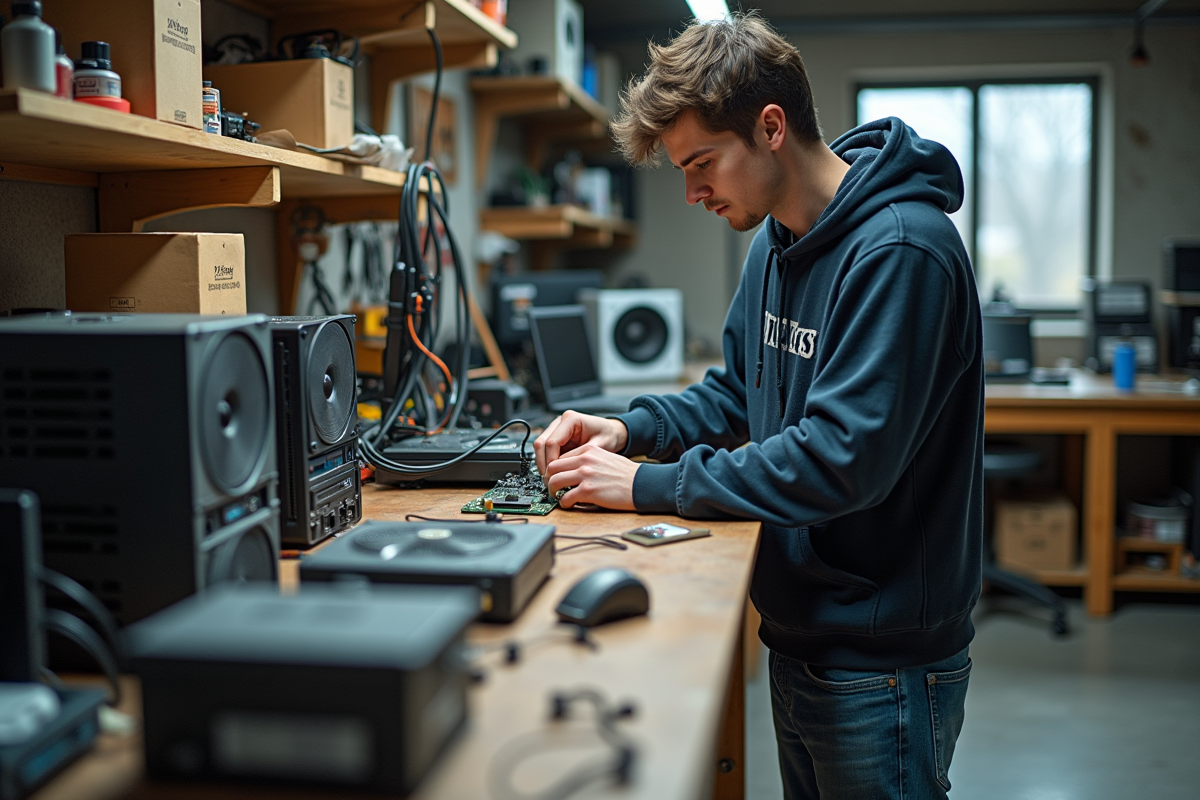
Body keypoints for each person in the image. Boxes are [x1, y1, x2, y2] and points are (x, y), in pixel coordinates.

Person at [533, 12, 984, 800]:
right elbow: (738, 394)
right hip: (802, 632)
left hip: (880, 659)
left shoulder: (902, 250)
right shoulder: (773, 241)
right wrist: (630, 429)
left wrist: (645, 487)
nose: (692, 192)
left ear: (771, 127)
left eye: (702, 162)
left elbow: (840, 459)